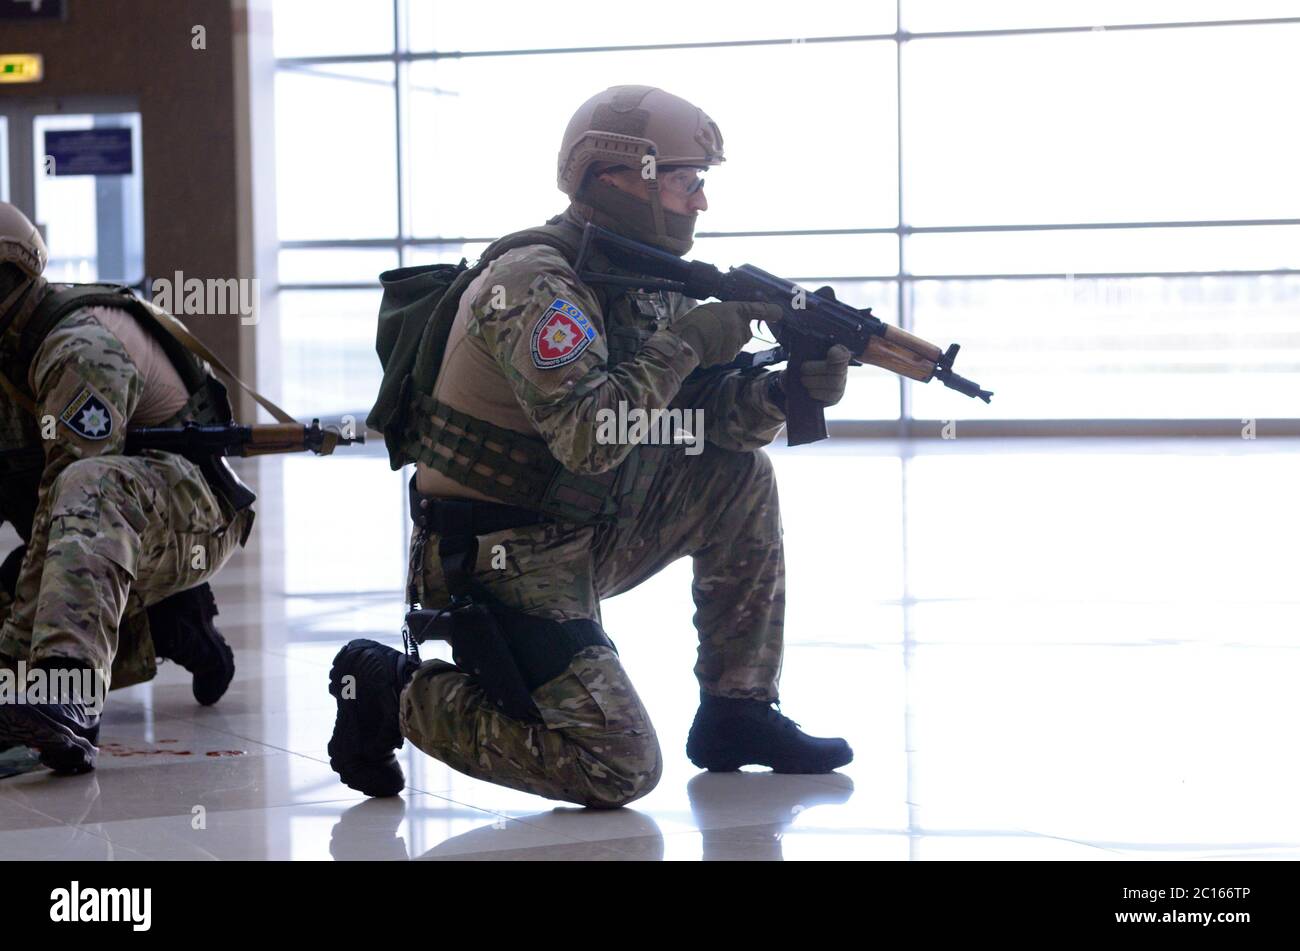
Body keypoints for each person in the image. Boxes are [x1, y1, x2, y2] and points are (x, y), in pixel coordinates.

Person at [330, 85, 854, 808]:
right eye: (685, 181)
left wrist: (785, 393)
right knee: (618, 765)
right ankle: (392, 689)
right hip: (498, 556)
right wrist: (691, 338)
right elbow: (590, 435)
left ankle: (738, 710)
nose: (700, 201)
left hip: (587, 525)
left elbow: (698, 419)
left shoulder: (642, 277)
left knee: (741, 477)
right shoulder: (534, 284)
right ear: (619, 178)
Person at [0, 201, 250, 774]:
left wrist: (12, 660)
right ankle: (173, 623)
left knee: (86, 486)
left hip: (193, 511)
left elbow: (68, 493)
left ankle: (67, 695)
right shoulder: (7, 348)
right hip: (113, 526)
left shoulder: (78, 347)